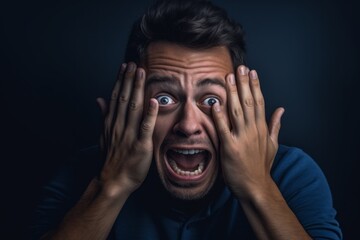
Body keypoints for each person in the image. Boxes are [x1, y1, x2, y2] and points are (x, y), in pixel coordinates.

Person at [30, 0, 342, 239]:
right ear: (130, 103)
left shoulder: (293, 174)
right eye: (164, 99)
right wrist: (112, 185)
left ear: (243, 105)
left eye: (211, 101)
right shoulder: (81, 174)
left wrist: (256, 187)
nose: (188, 125)